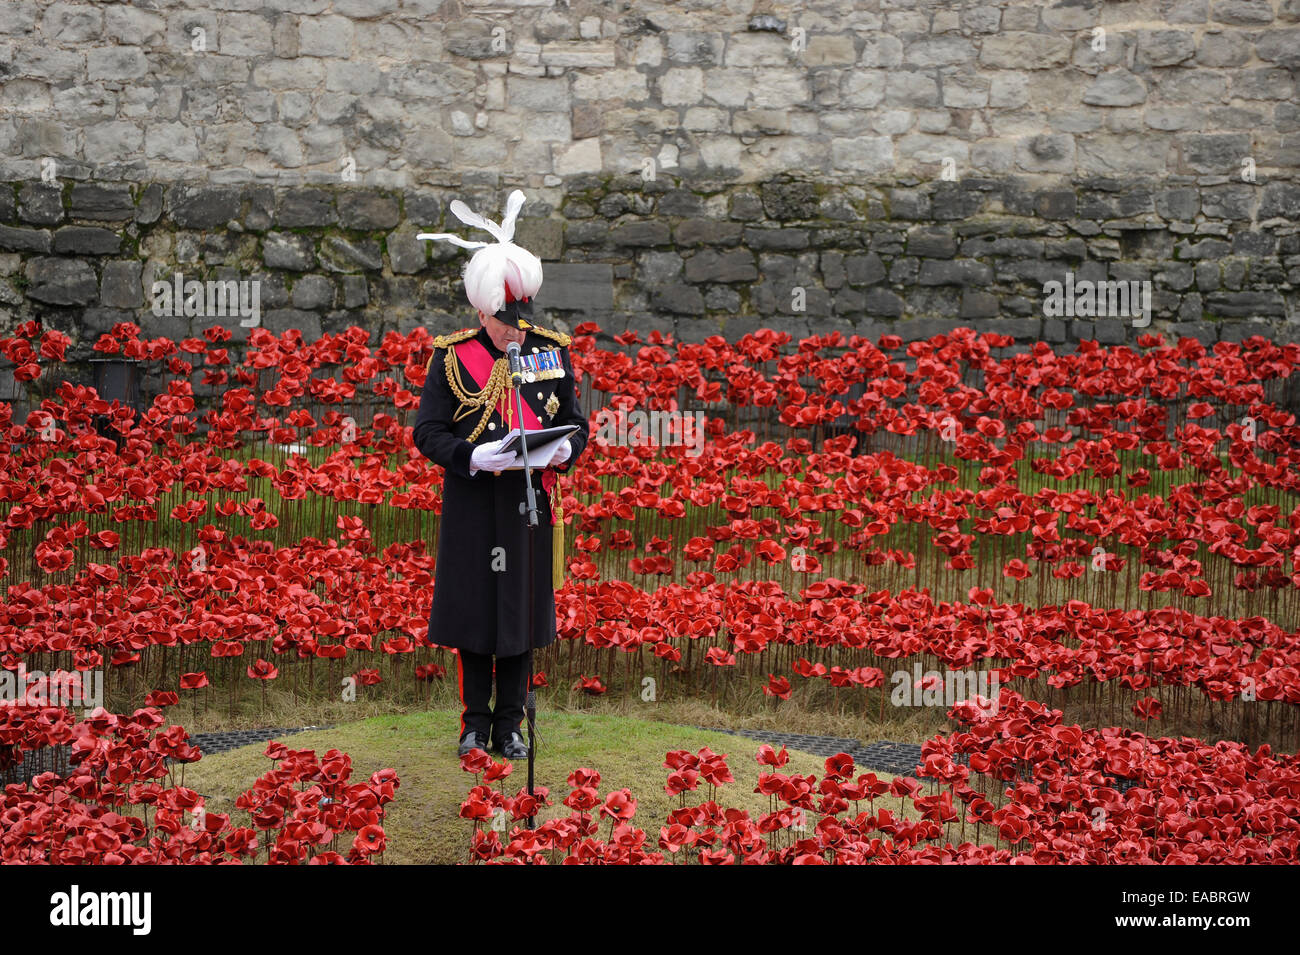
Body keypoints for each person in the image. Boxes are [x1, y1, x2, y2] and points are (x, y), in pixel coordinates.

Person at [412, 190, 589, 760]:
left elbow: (577, 424)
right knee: (474, 614)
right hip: (471, 503)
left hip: (526, 501)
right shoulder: (449, 358)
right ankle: (473, 724)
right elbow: (428, 431)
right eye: (504, 321)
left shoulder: (551, 352)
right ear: (481, 312)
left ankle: (511, 724)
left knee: (520, 614)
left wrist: (566, 451)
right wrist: (469, 457)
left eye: (522, 318)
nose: (517, 331)